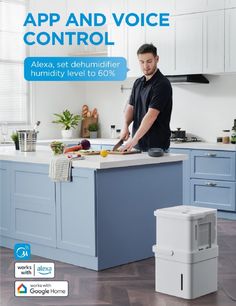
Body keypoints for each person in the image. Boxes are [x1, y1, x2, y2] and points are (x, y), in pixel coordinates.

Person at [120, 43, 172, 152]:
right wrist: (125, 126)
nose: (145, 66)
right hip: (138, 146)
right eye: (142, 62)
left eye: (149, 61)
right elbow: (130, 107)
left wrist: (133, 140)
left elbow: (151, 116)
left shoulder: (162, 84)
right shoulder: (138, 83)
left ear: (156, 59)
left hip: (156, 148)